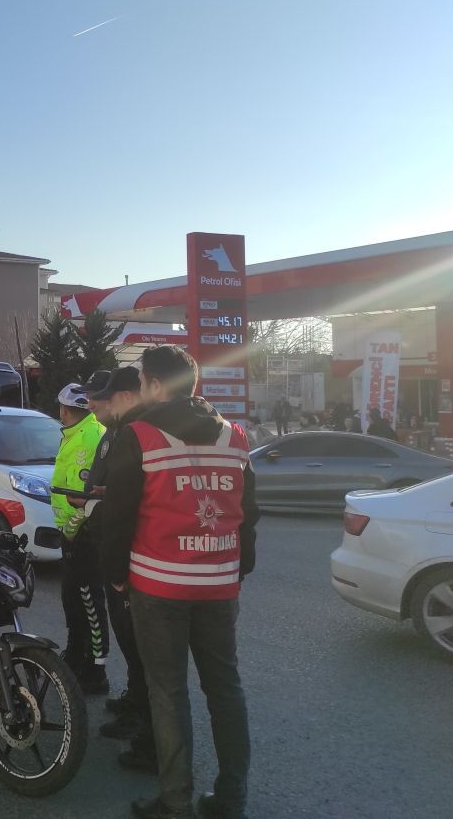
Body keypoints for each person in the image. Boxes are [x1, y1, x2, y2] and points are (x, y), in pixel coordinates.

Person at [100, 346, 259, 819]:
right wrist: (238, 569)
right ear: (193, 384)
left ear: (150, 383)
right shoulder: (235, 436)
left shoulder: (139, 434)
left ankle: (175, 803)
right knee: (226, 690)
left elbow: (118, 516)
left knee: (168, 693)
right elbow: (248, 515)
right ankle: (232, 798)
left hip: (159, 585)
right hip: (219, 584)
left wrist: (116, 577)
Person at [68, 367, 157, 771]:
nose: (93, 408)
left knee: (141, 645)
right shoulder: (116, 432)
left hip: (132, 556)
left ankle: (146, 721)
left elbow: (135, 502)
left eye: (98, 402)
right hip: (109, 545)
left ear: (125, 396)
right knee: (129, 638)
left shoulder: (138, 433)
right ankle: (137, 703)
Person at [51, 380, 110, 694]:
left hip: (83, 533)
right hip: (71, 531)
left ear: (64, 409)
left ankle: (96, 670)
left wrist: (73, 531)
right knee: (72, 600)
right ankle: (75, 656)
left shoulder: (89, 436)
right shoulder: (75, 433)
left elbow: (86, 497)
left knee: (89, 601)